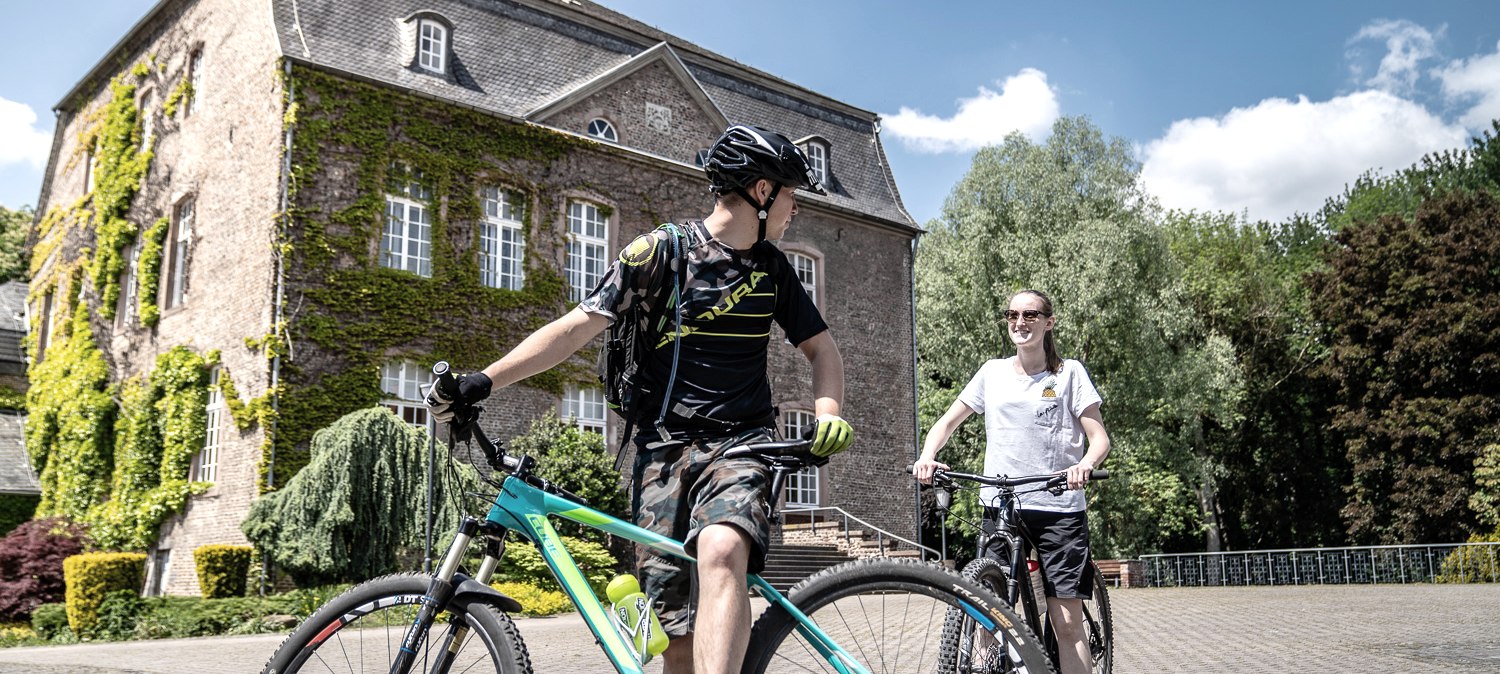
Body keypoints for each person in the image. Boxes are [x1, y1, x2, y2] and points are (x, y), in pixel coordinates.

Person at [427, 124, 854, 674]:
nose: (795, 208)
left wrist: (827, 411)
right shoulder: (659, 253)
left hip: (742, 445)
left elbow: (824, 352)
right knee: (671, 630)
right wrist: (483, 379)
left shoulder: (773, 271)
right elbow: (577, 326)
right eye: (792, 194)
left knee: (723, 550)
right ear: (762, 191)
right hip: (661, 454)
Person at [911, 289, 1110, 674]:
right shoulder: (992, 372)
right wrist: (927, 456)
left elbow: (1099, 438)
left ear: (1048, 322)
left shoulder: (1069, 374)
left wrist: (1083, 465)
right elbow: (948, 422)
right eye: (1012, 315)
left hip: (1058, 506)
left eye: (1030, 315)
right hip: (1002, 504)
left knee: (1066, 623)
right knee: (989, 614)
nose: (1019, 322)